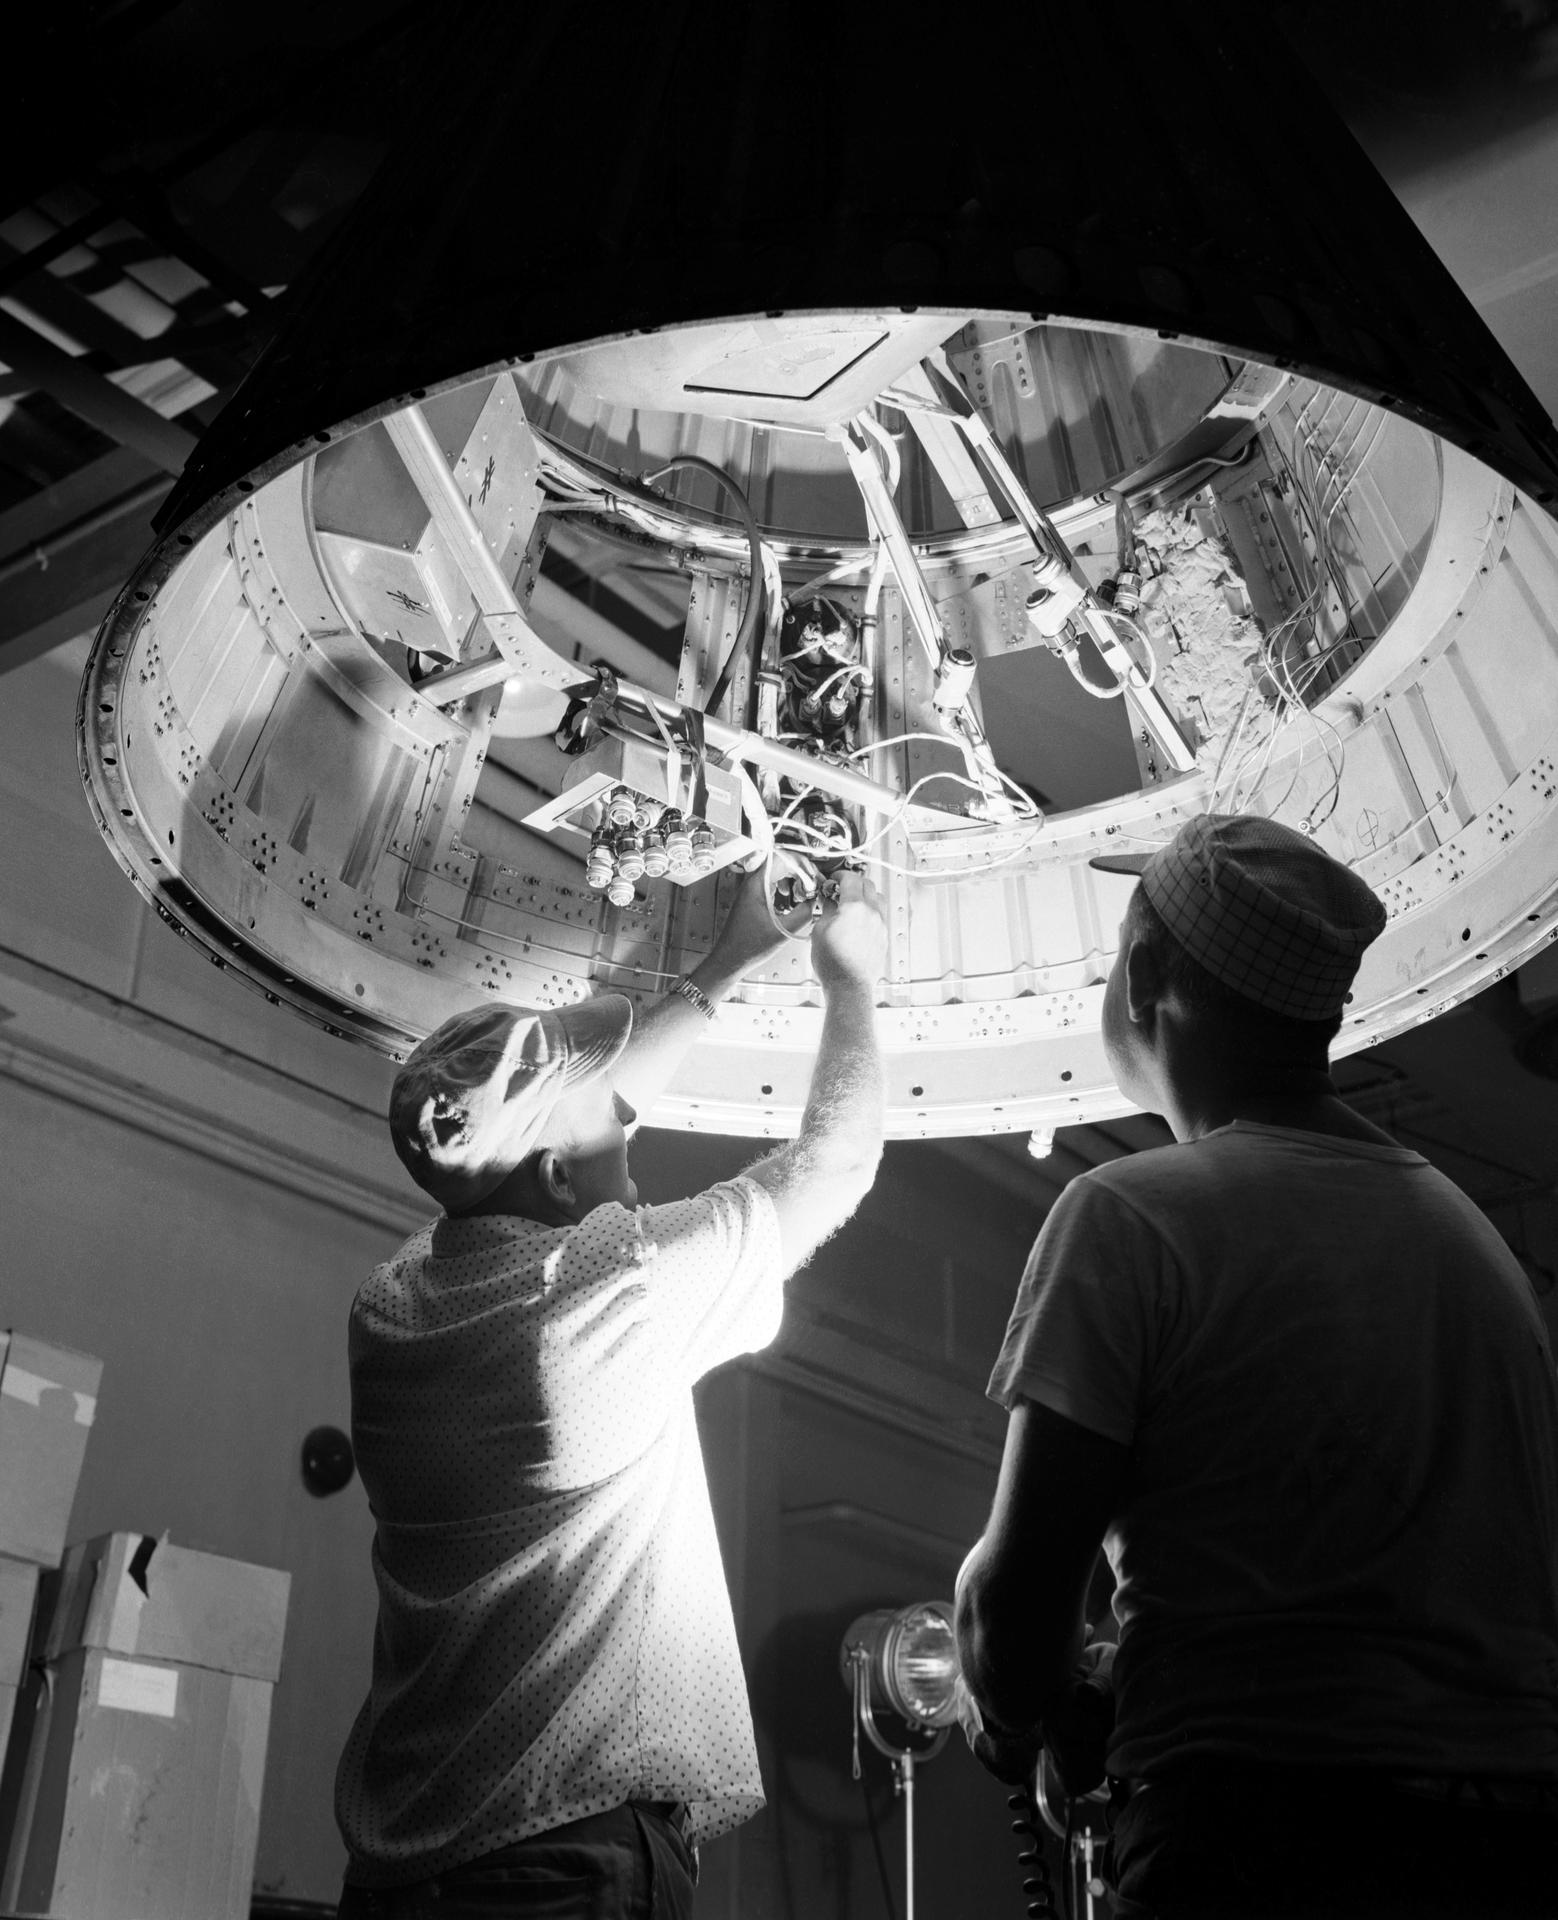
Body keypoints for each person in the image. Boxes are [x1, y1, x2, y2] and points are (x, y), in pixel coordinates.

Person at [953, 813, 1558, 1919]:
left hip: (1250, 1844)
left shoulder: (1130, 1216)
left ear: (1143, 976)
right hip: (1507, 1847)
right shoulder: (1476, 1248)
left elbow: (1015, 1629)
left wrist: (1009, 1685)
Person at [334, 868, 887, 1918]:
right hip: (562, 1863)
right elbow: (839, 1160)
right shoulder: (607, 1295)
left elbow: (574, 1124)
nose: (630, 1129)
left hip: (404, 1865)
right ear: (547, 1177)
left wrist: (728, 961)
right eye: (611, 1126)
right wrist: (852, 979)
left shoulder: (392, 1309)